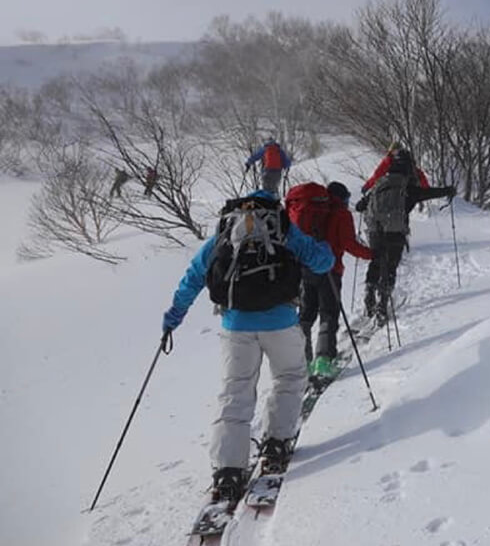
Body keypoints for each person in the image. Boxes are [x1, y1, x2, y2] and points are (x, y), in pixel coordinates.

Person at [161, 189, 334, 504]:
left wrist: (173, 318)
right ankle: (277, 443)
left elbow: (193, 278)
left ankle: (227, 469)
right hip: (281, 321)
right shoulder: (282, 229)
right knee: (290, 379)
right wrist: (321, 245)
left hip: (236, 326)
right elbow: (322, 263)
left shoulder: (224, 236)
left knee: (235, 392)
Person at [358, 146, 455, 326]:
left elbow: (360, 206)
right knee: (391, 265)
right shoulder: (408, 188)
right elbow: (429, 193)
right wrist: (448, 190)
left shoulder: (379, 185)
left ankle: (369, 291)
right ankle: (382, 304)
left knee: (376, 261)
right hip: (396, 231)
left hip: (376, 231)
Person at [297, 181, 373, 379]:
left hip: (307, 269)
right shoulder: (341, 214)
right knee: (328, 314)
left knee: (305, 316)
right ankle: (323, 361)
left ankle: (300, 362)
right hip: (330, 270)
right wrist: (372, 254)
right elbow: (349, 244)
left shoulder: (313, 211)